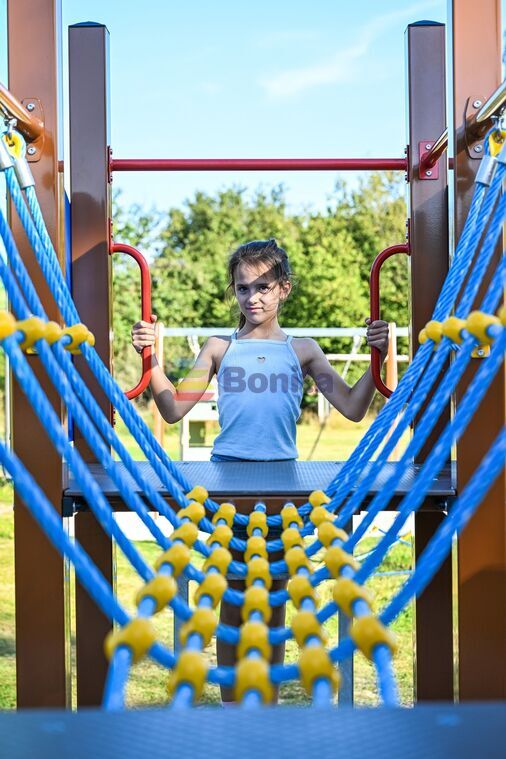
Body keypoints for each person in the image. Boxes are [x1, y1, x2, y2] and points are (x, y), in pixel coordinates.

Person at [131, 238, 389, 703]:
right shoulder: (219, 348)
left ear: (283, 288)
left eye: (263, 286)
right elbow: (172, 409)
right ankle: (234, 707)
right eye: (243, 288)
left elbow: (353, 407)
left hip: (282, 486)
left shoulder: (303, 351)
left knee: (273, 599)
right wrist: (150, 359)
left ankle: (264, 706)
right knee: (232, 595)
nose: (253, 297)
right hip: (228, 484)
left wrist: (379, 358)